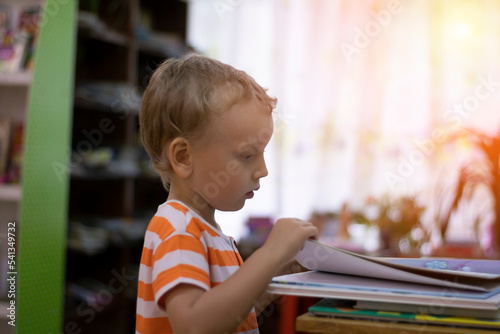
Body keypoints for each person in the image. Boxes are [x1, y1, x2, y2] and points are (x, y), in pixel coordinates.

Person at [136, 54, 318, 334]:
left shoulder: (206, 231)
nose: (263, 170)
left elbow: (226, 317)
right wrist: (270, 253)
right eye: (247, 155)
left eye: (262, 153)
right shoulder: (178, 231)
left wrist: (270, 278)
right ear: (184, 157)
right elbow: (195, 325)